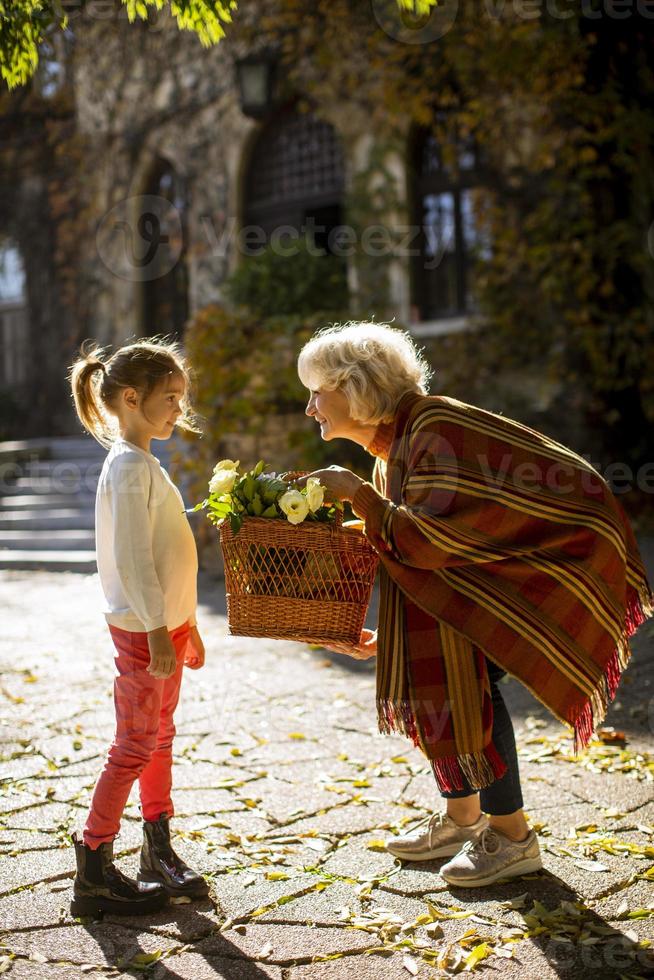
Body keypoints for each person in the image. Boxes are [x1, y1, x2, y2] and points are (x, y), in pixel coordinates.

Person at [297, 322, 652, 888]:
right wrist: (382, 632)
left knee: (476, 678)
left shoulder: (435, 427)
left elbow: (427, 543)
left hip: (553, 556)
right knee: (450, 668)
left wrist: (358, 495)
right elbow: (412, 557)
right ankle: (464, 819)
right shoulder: (394, 450)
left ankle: (512, 837)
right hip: (499, 564)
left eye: (318, 390)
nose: (310, 406)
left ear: (356, 386)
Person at [67, 338, 209, 916]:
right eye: (170, 397)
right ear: (131, 397)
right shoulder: (127, 465)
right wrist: (155, 629)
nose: (180, 408)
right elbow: (131, 556)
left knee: (160, 739)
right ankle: (94, 865)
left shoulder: (144, 461)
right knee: (134, 745)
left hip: (165, 627)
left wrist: (185, 623)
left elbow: (170, 554)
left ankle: (158, 848)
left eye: (182, 397)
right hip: (143, 632)